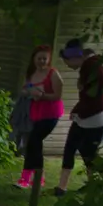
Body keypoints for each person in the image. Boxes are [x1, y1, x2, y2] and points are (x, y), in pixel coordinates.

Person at [54, 38, 103, 196]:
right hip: (84, 116)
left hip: (95, 118)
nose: (67, 66)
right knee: (71, 148)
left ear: (75, 57)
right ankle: (62, 187)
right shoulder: (94, 65)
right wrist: (79, 109)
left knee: (89, 154)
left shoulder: (93, 66)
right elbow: (92, 94)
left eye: (67, 62)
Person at [15, 44, 64, 189]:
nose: (42, 61)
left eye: (44, 59)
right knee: (34, 144)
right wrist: (27, 92)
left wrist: (42, 95)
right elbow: (24, 89)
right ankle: (36, 178)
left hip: (50, 114)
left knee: (33, 142)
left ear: (49, 60)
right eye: (39, 58)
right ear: (34, 59)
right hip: (35, 113)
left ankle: (29, 178)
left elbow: (57, 95)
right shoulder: (31, 73)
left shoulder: (53, 74)